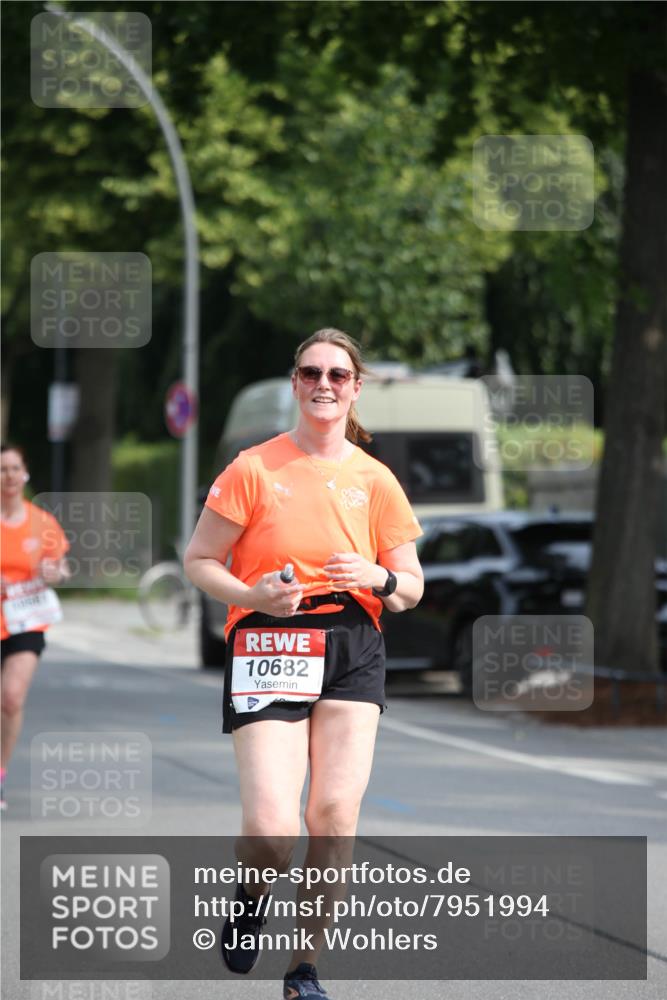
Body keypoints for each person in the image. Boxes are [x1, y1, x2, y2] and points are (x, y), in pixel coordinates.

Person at [184, 328, 424, 999]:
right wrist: (252, 594)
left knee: (334, 816)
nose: (324, 384)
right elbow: (199, 562)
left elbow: (410, 587)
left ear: (355, 387)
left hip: (352, 643)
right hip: (268, 640)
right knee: (270, 827)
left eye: (338, 375)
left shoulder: (375, 479)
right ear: (295, 383)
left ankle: (303, 970)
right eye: (311, 372)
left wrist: (377, 576)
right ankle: (252, 892)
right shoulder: (252, 468)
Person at [1, 444, 70, 809]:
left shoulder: (41, 522)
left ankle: (0, 772)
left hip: (26, 619)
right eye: (2, 469)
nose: (9, 476)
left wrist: (53, 572)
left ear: (25, 474)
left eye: (15, 468)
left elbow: (61, 568)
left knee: (11, 698)